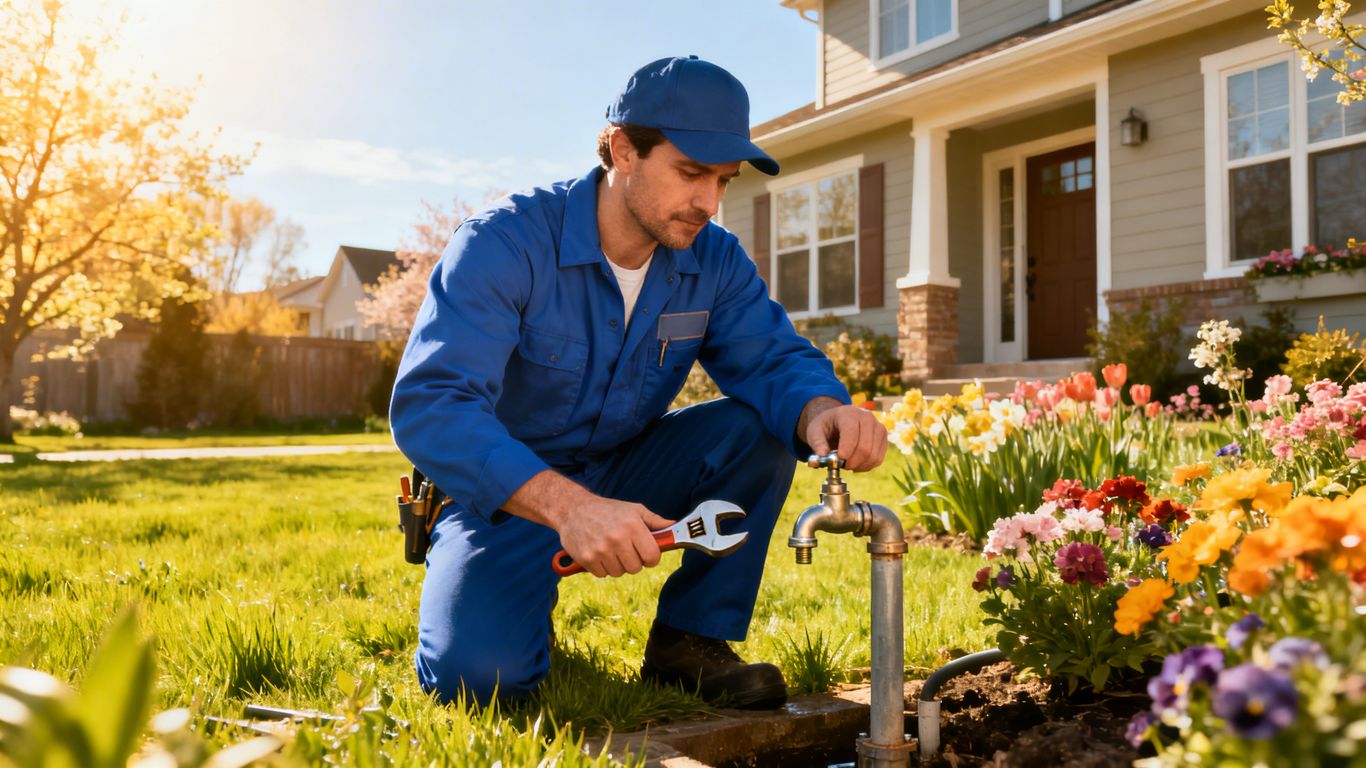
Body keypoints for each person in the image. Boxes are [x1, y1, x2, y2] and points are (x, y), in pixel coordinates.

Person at [390, 55, 888, 711]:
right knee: (478, 681)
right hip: (505, 495)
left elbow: (771, 359)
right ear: (624, 149)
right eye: (690, 174)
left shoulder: (712, 259)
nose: (709, 204)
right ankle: (515, 605)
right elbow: (433, 405)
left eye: (723, 181)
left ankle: (690, 642)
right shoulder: (504, 244)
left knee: (756, 431)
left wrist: (823, 407)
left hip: (626, 468)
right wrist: (570, 509)